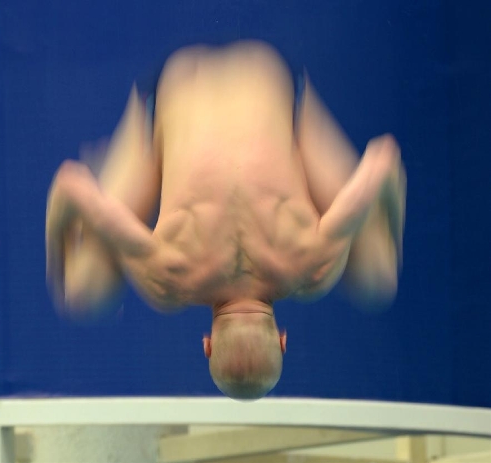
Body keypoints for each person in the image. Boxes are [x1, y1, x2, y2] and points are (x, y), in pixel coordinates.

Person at [46, 41, 406, 400]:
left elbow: (384, 159)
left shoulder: (313, 266)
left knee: (379, 282)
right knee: (82, 294)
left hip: (270, 70)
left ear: (282, 340)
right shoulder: (168, 277)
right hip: (174, 80)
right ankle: (150, 138)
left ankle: (290, 122)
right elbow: (69, 184)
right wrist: (58, 262)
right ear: (207, 344)